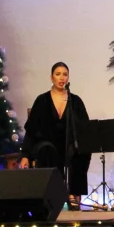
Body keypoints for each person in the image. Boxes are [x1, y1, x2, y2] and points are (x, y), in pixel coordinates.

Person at [20, 62, 92, 210]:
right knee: (47, 149)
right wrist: (25, 155)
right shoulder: (42, 100)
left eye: (65, 74)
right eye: (58, 74)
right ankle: (51, 195)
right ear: (51, 77)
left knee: (81, 150)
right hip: (46, 142)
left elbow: (85, 128)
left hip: (68, 143)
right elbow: (31, 130)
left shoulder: (75, 101)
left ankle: (74, 194)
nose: (62, 78)